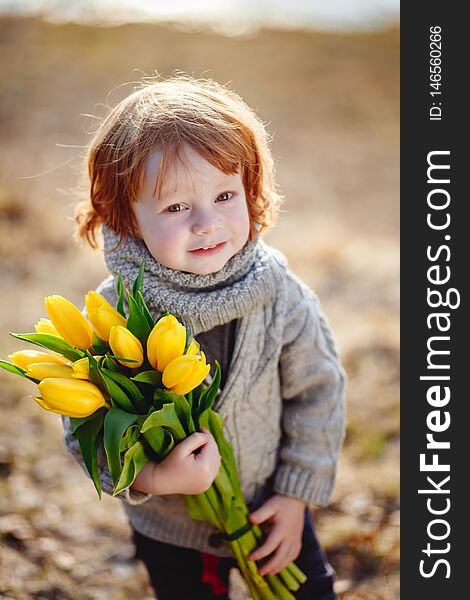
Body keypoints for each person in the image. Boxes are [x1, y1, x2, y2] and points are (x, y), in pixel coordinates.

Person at [63, 74, 346, 599]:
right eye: (174, 207)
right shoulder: (115, 314)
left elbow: (318, 396)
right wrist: (155, 479)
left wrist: (294, 498)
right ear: (126, 218)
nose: (207, 223)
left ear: (250, 189)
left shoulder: (281, 296)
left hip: (271, 509)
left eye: (224, 194)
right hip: (172, 530)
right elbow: (85, 434)